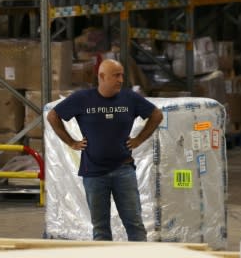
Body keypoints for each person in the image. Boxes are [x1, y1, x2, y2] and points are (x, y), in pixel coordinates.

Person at [46, 58, 163, 241]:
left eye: (122, 75)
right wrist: (71, 142)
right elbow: (53, 116)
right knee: (100, 228)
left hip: (124, 170)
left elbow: (156, 114)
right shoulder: (82, 98)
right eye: (116, 75)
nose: (121, 80)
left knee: (135, 224)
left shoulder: (129, 98)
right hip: (93, 173)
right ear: (101, 76)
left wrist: (139, 139)